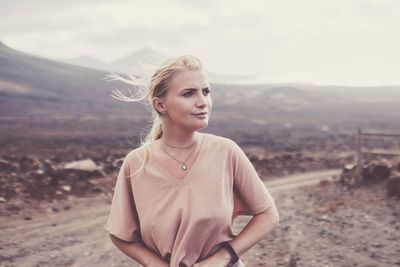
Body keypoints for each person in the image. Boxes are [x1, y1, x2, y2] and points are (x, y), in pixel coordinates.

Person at [103, 55, 279, 267]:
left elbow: (268, 215)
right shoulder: (137, 163)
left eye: (206, 91)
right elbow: (120, 233)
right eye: (189, 93)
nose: (202, 102)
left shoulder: (226, 152)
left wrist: (221, 258)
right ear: (160, 105)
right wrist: (155, 264)